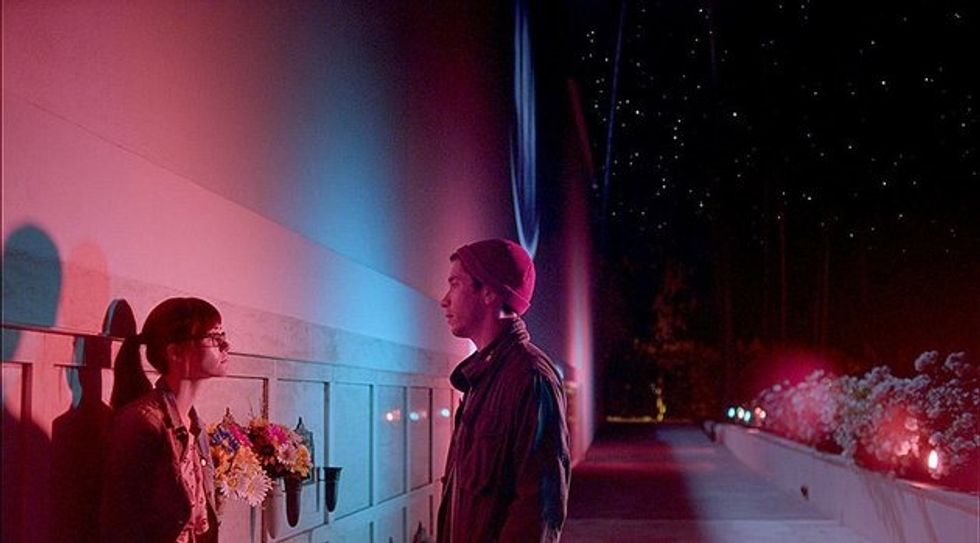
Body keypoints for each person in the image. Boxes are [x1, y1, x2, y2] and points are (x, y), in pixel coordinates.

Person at [436, 239, 570, 542]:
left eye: (455, 284)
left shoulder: (530, 378)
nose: (444, 300)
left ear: (489, 293)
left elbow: (539, 509)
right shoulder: (482, 377)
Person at [101, 297, 231, 543]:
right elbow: (122, 524)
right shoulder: (142, 423)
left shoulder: (195, 425)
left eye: (222, 334)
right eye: (214, 337)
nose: (226, 345)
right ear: (175, 352)